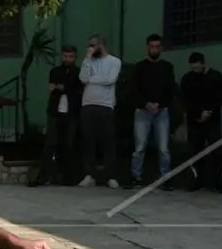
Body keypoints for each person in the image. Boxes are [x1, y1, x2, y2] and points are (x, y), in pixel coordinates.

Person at [129, 33, 176, 188]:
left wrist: (159, 104)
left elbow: (170, 90)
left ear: (161, 48)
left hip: (161, 111)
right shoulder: (139, 67)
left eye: (157, 47)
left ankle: (165, 177)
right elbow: (134, 90)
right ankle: (136, 177)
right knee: (139, 147)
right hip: (142, 111)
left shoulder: (167, 67)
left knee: (163, 148)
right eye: (152, 46)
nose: (154, 49)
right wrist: (146, 104)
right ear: (147, 47)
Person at [77, 34, 122, 189]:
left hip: (106, 105)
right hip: (88, 105)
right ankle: (89, 175)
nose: (90, 48)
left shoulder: (114, 61)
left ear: (101, 45)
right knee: (89, 142)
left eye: (93, 45)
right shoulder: (88, 61)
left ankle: (111, 176)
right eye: (88, 45)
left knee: (108, 142)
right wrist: (87, 58)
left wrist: (92, 79)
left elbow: (110, 79)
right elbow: (83, 78)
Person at [35, 45, 82, 186]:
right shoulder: (55, 71)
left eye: (71, 56)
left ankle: (68, 177)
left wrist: (62, 87)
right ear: (62, 56)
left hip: (71, 113)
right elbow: (52, 89)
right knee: (50, 144)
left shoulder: (78, 72)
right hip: (55, 111)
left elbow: (74, 88)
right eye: (66, 56)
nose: (68, 59)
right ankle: (44, 176)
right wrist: (62, 87)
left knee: (68, 144)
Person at [180, 52, 222, 192]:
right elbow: (185, 100)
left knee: (215, 149)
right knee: (195, 150)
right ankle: (196, 180)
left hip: (212, 120)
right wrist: (198, 114)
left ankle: (218, 182)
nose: (196, 70)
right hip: (194, 120)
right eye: (193, 68)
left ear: (203, 63)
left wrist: (208, 112)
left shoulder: (215, 76)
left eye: (198, 67)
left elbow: (219, 98)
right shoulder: (187, 79)